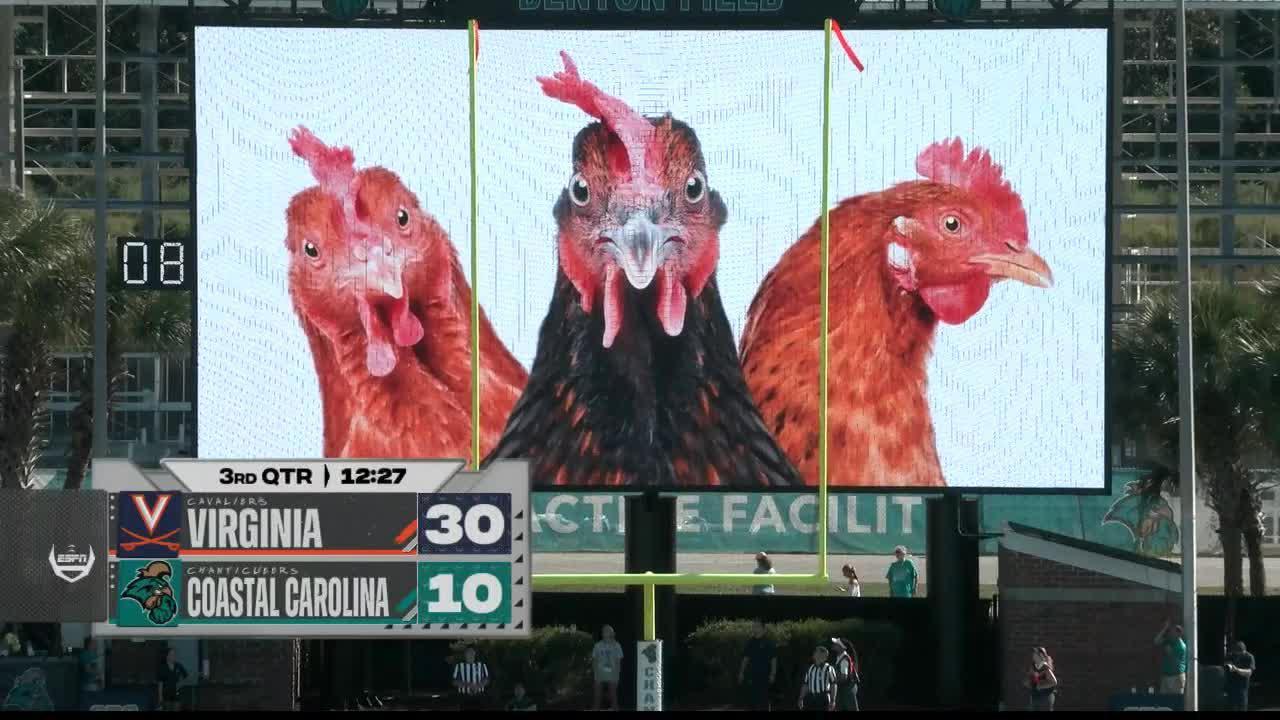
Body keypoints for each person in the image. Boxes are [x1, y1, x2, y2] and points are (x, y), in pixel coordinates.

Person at [738, 620, 777, 711]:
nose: (755, 628)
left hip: (764, 677)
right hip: (751, 677)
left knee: (763, 702)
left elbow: (774, 660)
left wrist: (773, 674)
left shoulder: (769, 643)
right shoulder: (750, 642)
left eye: (757, 626)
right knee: (751, 703)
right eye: (754, 626)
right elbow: (745, 659)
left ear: (763, 629)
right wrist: (741, 672)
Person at [592, 625, 623, 711]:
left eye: (608, 631)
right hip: (599, 675)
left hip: (612, 675)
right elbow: (594, 660)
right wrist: (595, 675)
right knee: (597, 698)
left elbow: (618, 662)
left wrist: (617, 677)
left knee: (613, 697)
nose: (605, 633)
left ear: (612, 633)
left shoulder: (617, 646)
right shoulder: (597, 645)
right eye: (604, 631)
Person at [798, 645, 837, 711]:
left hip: (823, 697)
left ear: (822, 655)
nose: (814, 654)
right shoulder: (810, 668)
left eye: (816, 652)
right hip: (812, 698)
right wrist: (801, 698)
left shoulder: (829, 668)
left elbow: (834, 684)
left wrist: (833, 700)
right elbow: (806, 684)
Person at [1153, 620, 1187, 694]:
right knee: (1164, 700)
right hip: (1166, 676)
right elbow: (1156, 641)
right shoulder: (1169, 641)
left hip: (1176, 677)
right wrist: (1164, 629)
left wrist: (1166, 644)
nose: (1171, 633)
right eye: (1171, 631)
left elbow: (1169, 652)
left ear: (1179, 634)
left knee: (1176, 701)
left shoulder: (1181, 646)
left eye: (1174, 632)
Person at [1223, 640, 1255, 712]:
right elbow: (1226, 665)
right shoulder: (1231, 655)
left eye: (1239, 653)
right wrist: (1228, 665)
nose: (1238, 655)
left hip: (1242, 686)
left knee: (1242, 706)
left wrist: (1237, 670)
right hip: (1230, 685)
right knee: (1230, 707)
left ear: (1244, 651)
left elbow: (1249, 672)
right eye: (1236, 653)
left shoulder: (1249, 657)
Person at [1024, 647, 1058, 711]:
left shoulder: (1045, 668)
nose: (1033, 656)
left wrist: (1041, 686)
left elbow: (1054, 682)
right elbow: (1030, 679)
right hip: (1035, 697)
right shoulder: (1033, 667)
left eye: (1035, 654)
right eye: (1033, 654)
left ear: (1041, 655)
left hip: (1045, 698)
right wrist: (1028, 683)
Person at [831, 638, 860, 711]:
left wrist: (833, 681)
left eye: (836, 644)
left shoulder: (844, 660)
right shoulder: (839, 657)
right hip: (844, 688)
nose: (834, 645)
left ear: (841, 647)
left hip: (848, 689)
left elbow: (844, 677)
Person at [156, 646, 188, 711]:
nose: (173, 656)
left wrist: (181, 684)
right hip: (166, 695)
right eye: (171, 654)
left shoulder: (179, 666)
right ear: (167, 656)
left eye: (174, 654)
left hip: (177, 694)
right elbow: (160, 683)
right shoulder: (162, 667)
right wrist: (160, 697)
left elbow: (186, 677)